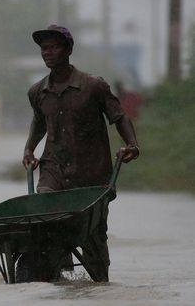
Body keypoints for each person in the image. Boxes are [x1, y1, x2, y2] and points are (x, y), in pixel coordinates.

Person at [20, 24, 140, 282]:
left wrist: (132, 144)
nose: (47, 53)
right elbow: (39, 122)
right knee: (45, 213)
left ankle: (98, 282)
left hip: (92, 175)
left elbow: (119, 117)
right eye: (43, 49)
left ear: (68, 50)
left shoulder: (93, 86)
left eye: (53, 47)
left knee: (94, 236)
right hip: (53, 170)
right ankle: (56, 271)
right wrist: (29, 148)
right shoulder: (37, 92)